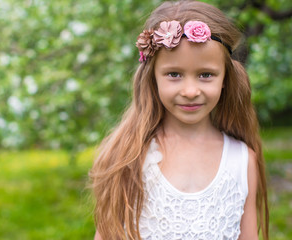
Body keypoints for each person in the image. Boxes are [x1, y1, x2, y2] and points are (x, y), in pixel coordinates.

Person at [89, 1, 269, 239]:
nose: (190, 90)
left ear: (225, 78)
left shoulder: (242, 160)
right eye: (174, 74)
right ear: (153, 77)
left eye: (206, 75)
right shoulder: (129, 156)